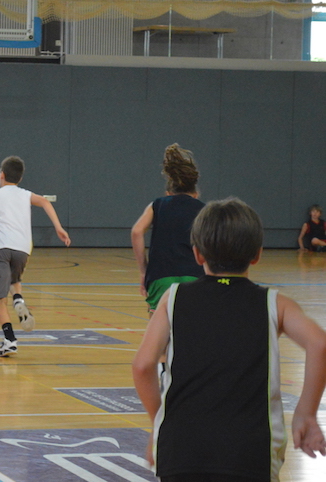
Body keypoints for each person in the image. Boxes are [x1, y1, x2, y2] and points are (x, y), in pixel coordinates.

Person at [132, 197, 326, 482]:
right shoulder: (275, 303)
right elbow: (320, 343)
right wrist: (306, 413)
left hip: (180, 450)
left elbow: (142, 366)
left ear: (197, 254)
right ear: (257, 254)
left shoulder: (172, 298)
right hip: (249, 452)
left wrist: (158, 421)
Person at [0, 155, 70, 357]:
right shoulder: (25, 195)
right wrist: (59, 228)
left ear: (2, 175)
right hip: (23, 249)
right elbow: (46, 203)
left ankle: (9, 340)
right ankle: (18, 300)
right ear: (20, 178)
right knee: (15, 279)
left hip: (1, 248)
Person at [131, 143, 205, 316]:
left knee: (158, 328)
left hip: (161, 275)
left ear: (168, 193)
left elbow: (136, 232)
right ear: (195, 194)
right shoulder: (204, 209)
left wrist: (143, 271)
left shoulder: (158, 205)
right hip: (194, 275)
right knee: (191, 326)